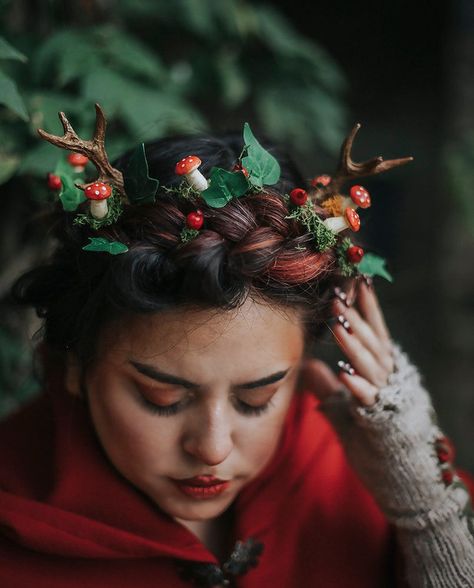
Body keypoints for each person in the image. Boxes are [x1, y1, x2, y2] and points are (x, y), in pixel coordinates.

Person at [1, 110, 473, 588]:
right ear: (78, 366)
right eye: (161, 398)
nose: (212, 448)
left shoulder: (376, 469)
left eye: (256, 400)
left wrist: (426, 512)